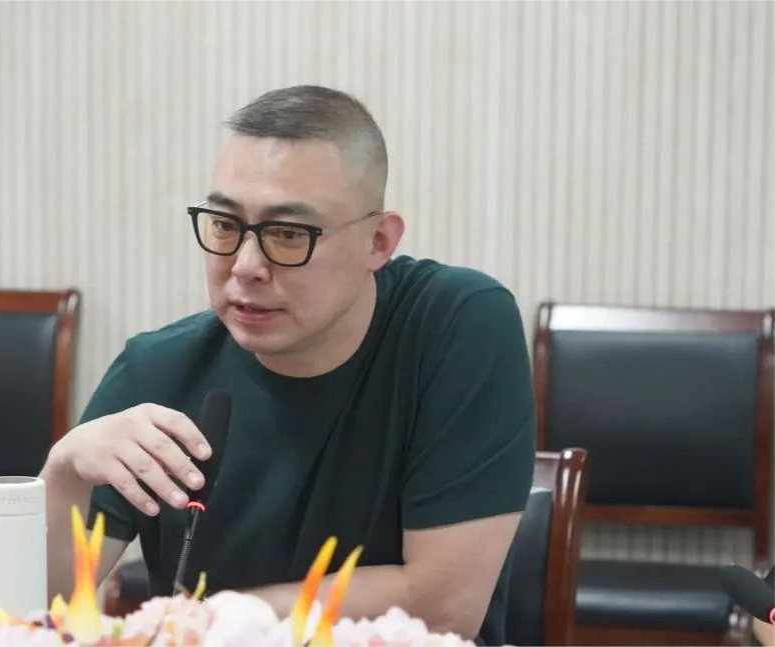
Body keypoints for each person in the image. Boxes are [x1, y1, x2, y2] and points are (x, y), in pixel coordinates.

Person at [39, 85, 535, 644]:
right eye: (224, 225)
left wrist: (210, 619)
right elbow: (34, 614)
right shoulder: (159, 369)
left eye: (288, 234)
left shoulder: (456, 324)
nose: (246, 265)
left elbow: (444, 606)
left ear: (378, 241)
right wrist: (63, 474)